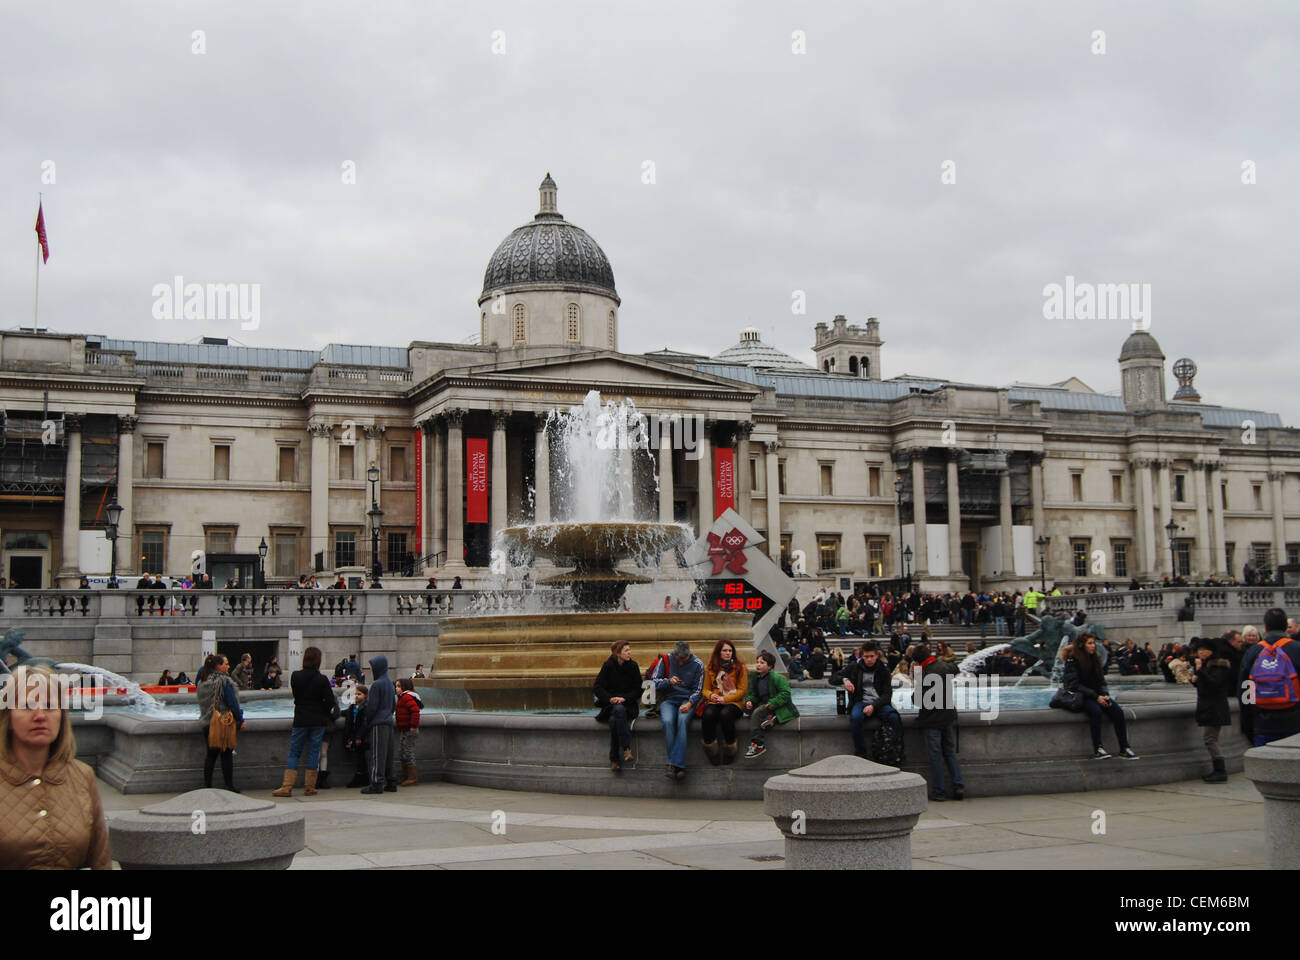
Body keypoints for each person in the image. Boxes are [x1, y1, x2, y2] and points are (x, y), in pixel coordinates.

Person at [0, 665, 112, 869]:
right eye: (27, 705)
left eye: (50, 706)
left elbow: (101, 860)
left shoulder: (82, 776)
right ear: (8, 717)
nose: (40, 715)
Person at [272, 646, 336, 797]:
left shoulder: (295, 676)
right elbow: (329, 701)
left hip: (300, 718)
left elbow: (296, 696)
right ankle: (309, 787)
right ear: (318, 661)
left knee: (294, 752)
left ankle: (287, 787)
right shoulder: (322, 679)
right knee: (314, 753)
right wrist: (323, 712)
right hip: (318, 720)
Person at [1062, 634, 1139, 760]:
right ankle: (1098, 748)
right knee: (1096, 712)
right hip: (1082, 696)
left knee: (1118, 711)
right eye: (1090, 643)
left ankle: (1124, 748)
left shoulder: (1095, 659)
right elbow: (1073, 685)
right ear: (1082, 645)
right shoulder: (1072, 660)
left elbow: (1102, 681)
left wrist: (1105, 695)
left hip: (1097, 695)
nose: (1093, 646)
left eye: (1093, 643)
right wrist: (1096, 696)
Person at [1238, 608, 1300, 747]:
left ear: (1265, 627)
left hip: (1263, 721)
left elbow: (1244, 692)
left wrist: (1247, 725)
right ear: (1285, 627)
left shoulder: (1252, 652)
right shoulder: (1297, 649)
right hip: (1295, 719)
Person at [911, 642, 964, 801]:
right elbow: (956, 668)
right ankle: (958, 786)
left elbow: (917, 700)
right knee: (950, 753)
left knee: (936, 756)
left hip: (932, 720)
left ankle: (939, 791)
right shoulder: (942, 666)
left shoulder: (925, 673)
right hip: (948, 717)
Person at [652, 641, 703, 782]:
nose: (680, 662)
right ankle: (679, 766)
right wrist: (668, 681)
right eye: (678, 659)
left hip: (687, 701)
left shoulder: (698, 664)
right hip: (669, 700)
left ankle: (672, 765)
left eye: (683, 659)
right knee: (667, 721)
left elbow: (698, 690)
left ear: (689, 655)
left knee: (682, 721)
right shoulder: (666, 659)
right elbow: (653, 681)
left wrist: (690, 703)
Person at [196, 653, 247, 792]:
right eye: (226, 663)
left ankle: (207, 786)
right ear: (218, 666)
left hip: (207, 722)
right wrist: (240, 719)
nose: (228, 666)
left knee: (210, 755)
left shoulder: (202, 682)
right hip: (222, 723)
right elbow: (232, 703)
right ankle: (229, 785)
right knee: (226, 754)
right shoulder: (224, 681)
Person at [844, 641, 901, 760]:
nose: (869, 659)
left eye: (871, 656)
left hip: (879, 703)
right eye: (866, 657)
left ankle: (896, 750)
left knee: (894, 718)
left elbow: (887, 695)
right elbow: (834, 678)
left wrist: (873, 706)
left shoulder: (883, 670)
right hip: (861, 702)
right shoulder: (855, 666)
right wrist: (845, 680)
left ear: (877, 656)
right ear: (862, 656)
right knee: (855, 718)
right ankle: (861, 753)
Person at [697, 639, 748, 765]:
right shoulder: (710, 668)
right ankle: (711, 750)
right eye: (725, 650)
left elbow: (742, 691)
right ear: (718, 652)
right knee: (708, 715)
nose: (728, 653)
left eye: (730, 651)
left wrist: (725, 699)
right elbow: (705, 690)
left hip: (734, 702)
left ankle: (730, 749)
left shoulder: (740, 667)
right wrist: (711, 695)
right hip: (715, 702)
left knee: (726, 715)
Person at [594, 640, 642, 772]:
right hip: (611, 705)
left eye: (629, 650)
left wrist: (624, 698)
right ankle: (626, 748)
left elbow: (638, 690)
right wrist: (610, 699)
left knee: (615, 718)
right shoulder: (608, 666)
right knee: (617, 712)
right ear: (617, 653)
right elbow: (597, 687)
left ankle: (614, 759)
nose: (629, 653)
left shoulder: (633, 666)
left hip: (628, 705)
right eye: (626, 650)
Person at [1191, 637, 1233, 783]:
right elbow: (1204, 686)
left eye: (1204, 649)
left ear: (1211, 651)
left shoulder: (1219, 666)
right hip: (1208, 707)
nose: (1201, 652)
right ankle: (1219, 770)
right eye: (1199, 650)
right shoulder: (1207, 665)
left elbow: (1215, 684)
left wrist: (1200, 671)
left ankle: (1220, 770)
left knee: (1210, 739)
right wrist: (1195, 680)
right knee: (1210, 739)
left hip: (1215, 707)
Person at [742, 652, 797, 759]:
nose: (758, 665)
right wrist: (750, 701)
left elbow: (785, 693)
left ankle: (758, 744)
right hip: (763, 705)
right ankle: (771, 719)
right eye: (757, 662)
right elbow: (752, 694)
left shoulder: (778, 678)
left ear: (770, 666)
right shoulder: (755, 678)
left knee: (757, 713)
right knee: (746, 708)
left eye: (762, 663)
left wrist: (772, 704)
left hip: (774, 705)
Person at [360, 655, 398, 794]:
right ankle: (391, 781)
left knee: (377, 754)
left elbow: (372, 707)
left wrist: (368, 721)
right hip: (388, 721)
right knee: (388, 754)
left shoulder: (377, 684)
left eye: (372, 667)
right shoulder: (389, 683)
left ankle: (376, 783)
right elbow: (394, 705)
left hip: (378, 723)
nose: (371, 669)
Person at [394, 677, 423, 786]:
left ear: (405, 687)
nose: (396, 689)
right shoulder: (403, 697)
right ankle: (405, 775)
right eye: (396, 686)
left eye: (399, 686)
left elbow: (415, 711)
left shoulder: (406, 697)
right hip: (405, 729)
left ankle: (412, 777)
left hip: (409, 730)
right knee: (403, 752)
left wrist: (413, 726)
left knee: (407, 752)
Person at [343, 684, 371, 787]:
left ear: (365, 696)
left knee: (361, 757)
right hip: (354, 735)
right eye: (355, 694)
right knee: (359, 757)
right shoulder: (353, 706)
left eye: (359, 694)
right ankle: (363, 777)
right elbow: (346, 713)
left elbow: (365, 723)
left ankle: (361, 777)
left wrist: (359, 736)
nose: (356, 696)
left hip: (362, 737)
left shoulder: (366, 707)